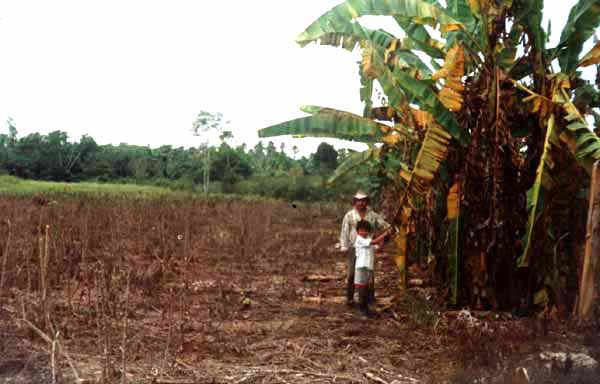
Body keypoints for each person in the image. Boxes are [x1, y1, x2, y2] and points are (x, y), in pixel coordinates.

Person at [339, 190, 390, 306]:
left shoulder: (372, 215)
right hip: (354, 246)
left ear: (367, 202)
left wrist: (388, 232)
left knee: (369, 272)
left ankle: (369, 298)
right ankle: (350, 298)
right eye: (358, 201)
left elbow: (384, 225)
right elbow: (344, 231)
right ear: (355, 202)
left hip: (368, 248)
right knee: (352, 273)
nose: (361, 203)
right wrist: (343, 246)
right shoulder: (349, 215)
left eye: (363, 201)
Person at [354, 220, 390, 316]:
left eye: (365, 231)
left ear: (368, 232)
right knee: (361, 288)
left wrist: (385, 240)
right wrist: (385, 234)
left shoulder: (368, 241)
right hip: (361, 267)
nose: (363, 232)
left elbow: (378, 248)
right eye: (361, 230)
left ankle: (365, 308)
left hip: (369, 267)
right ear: (357, 232)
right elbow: (374, 241)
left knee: (366, 287)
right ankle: (362, 308)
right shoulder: (359, 239)